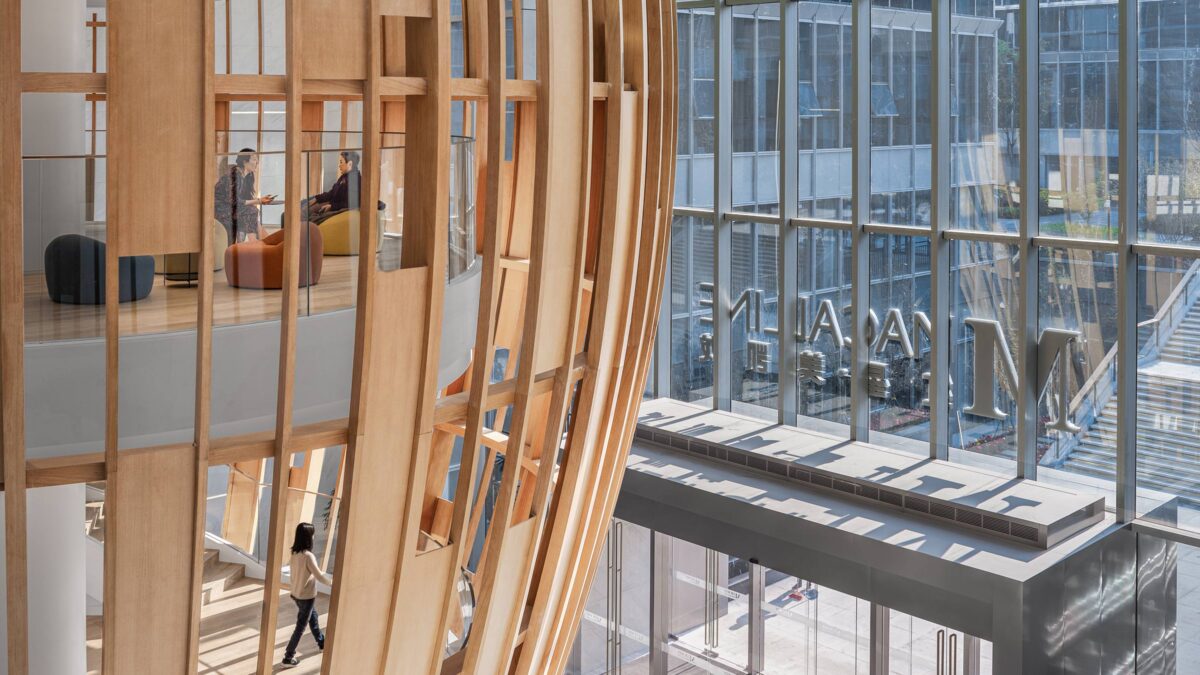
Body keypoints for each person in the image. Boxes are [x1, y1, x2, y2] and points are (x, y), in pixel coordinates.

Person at [282, 522, 332, 668]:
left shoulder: (295, 553)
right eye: (313, 533)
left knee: (313, 618)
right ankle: (288, 657)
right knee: (300, 627)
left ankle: (322, 642)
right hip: (306, 596)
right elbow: (319, 576)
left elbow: (294, 575)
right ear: (308, 537)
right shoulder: (308, 556)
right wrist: (332, 583)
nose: (314, 536)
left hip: (296, 595)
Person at [214, 148, 275, 245]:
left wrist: (260, 201)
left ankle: (255, 243)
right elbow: (234, 201)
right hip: (220, 209)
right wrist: (259, 200)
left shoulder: (245, 177)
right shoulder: (235, 175)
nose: (257, 162)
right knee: (252, 211)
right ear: (245, 161)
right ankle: (256, 242)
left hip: (229, 207)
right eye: (254, 159)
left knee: (252, 211)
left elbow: (241, 201)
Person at [302, 150, 361, 221]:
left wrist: (332, 206)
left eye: (341, 162)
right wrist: (317, 198)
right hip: (331, 201)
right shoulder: (344, 177)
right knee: (304, 203)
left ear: (350, 164)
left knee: (305, 211)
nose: (339, 165)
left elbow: (350, 204)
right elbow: (332, 193)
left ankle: (299, 230)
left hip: (333, 204)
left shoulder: (354, 181)